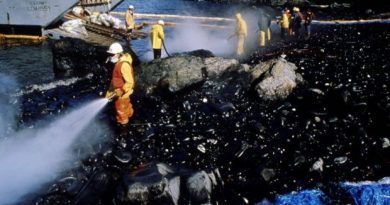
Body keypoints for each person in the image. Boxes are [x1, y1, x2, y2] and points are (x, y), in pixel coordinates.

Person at [105, 42, 135, 125]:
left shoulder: (124, 65)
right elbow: (116, 79)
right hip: (118, 92)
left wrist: (121, 90)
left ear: (118, 54)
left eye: (112, 54)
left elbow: (130, 82)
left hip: (123, 95)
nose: (111, 57)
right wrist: (109, 93)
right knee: (126, 110)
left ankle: (124, 130)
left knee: (122, 113)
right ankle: (130, 121)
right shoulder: (118, 63)